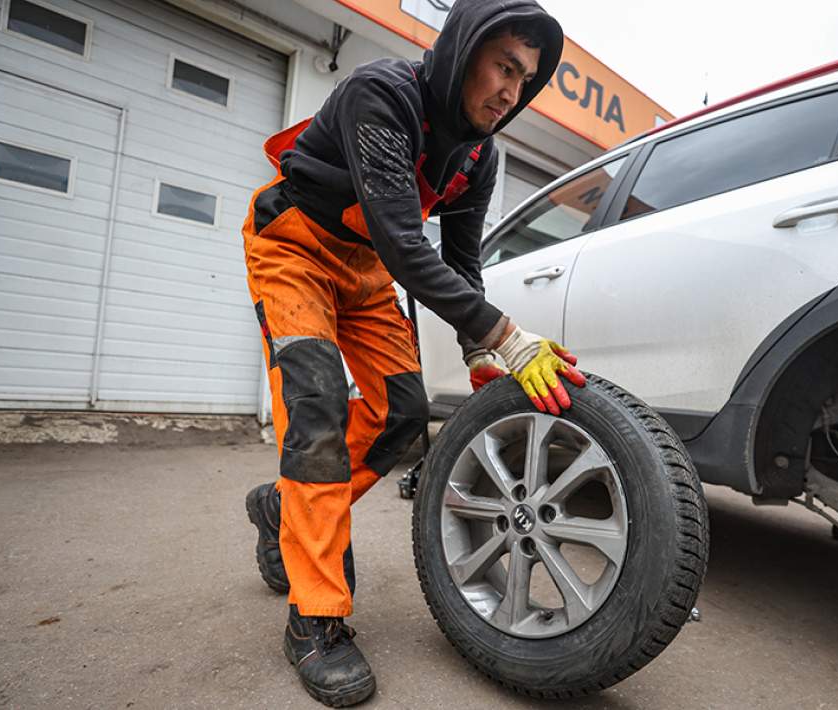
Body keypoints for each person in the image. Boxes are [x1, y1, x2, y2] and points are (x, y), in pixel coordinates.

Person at [241, 0, 583, 705]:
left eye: (526, 80)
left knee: (400, 417)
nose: (510, 92)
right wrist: (507, 337)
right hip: (294, 251)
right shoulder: (382, 94)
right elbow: (404, 240)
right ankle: (316, 619)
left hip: (364, 273)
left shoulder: (479, 157)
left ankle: (286, 508)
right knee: (318, 417)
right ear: (464, 50)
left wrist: (477, 348)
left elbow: (458, 261)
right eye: (503, 67)